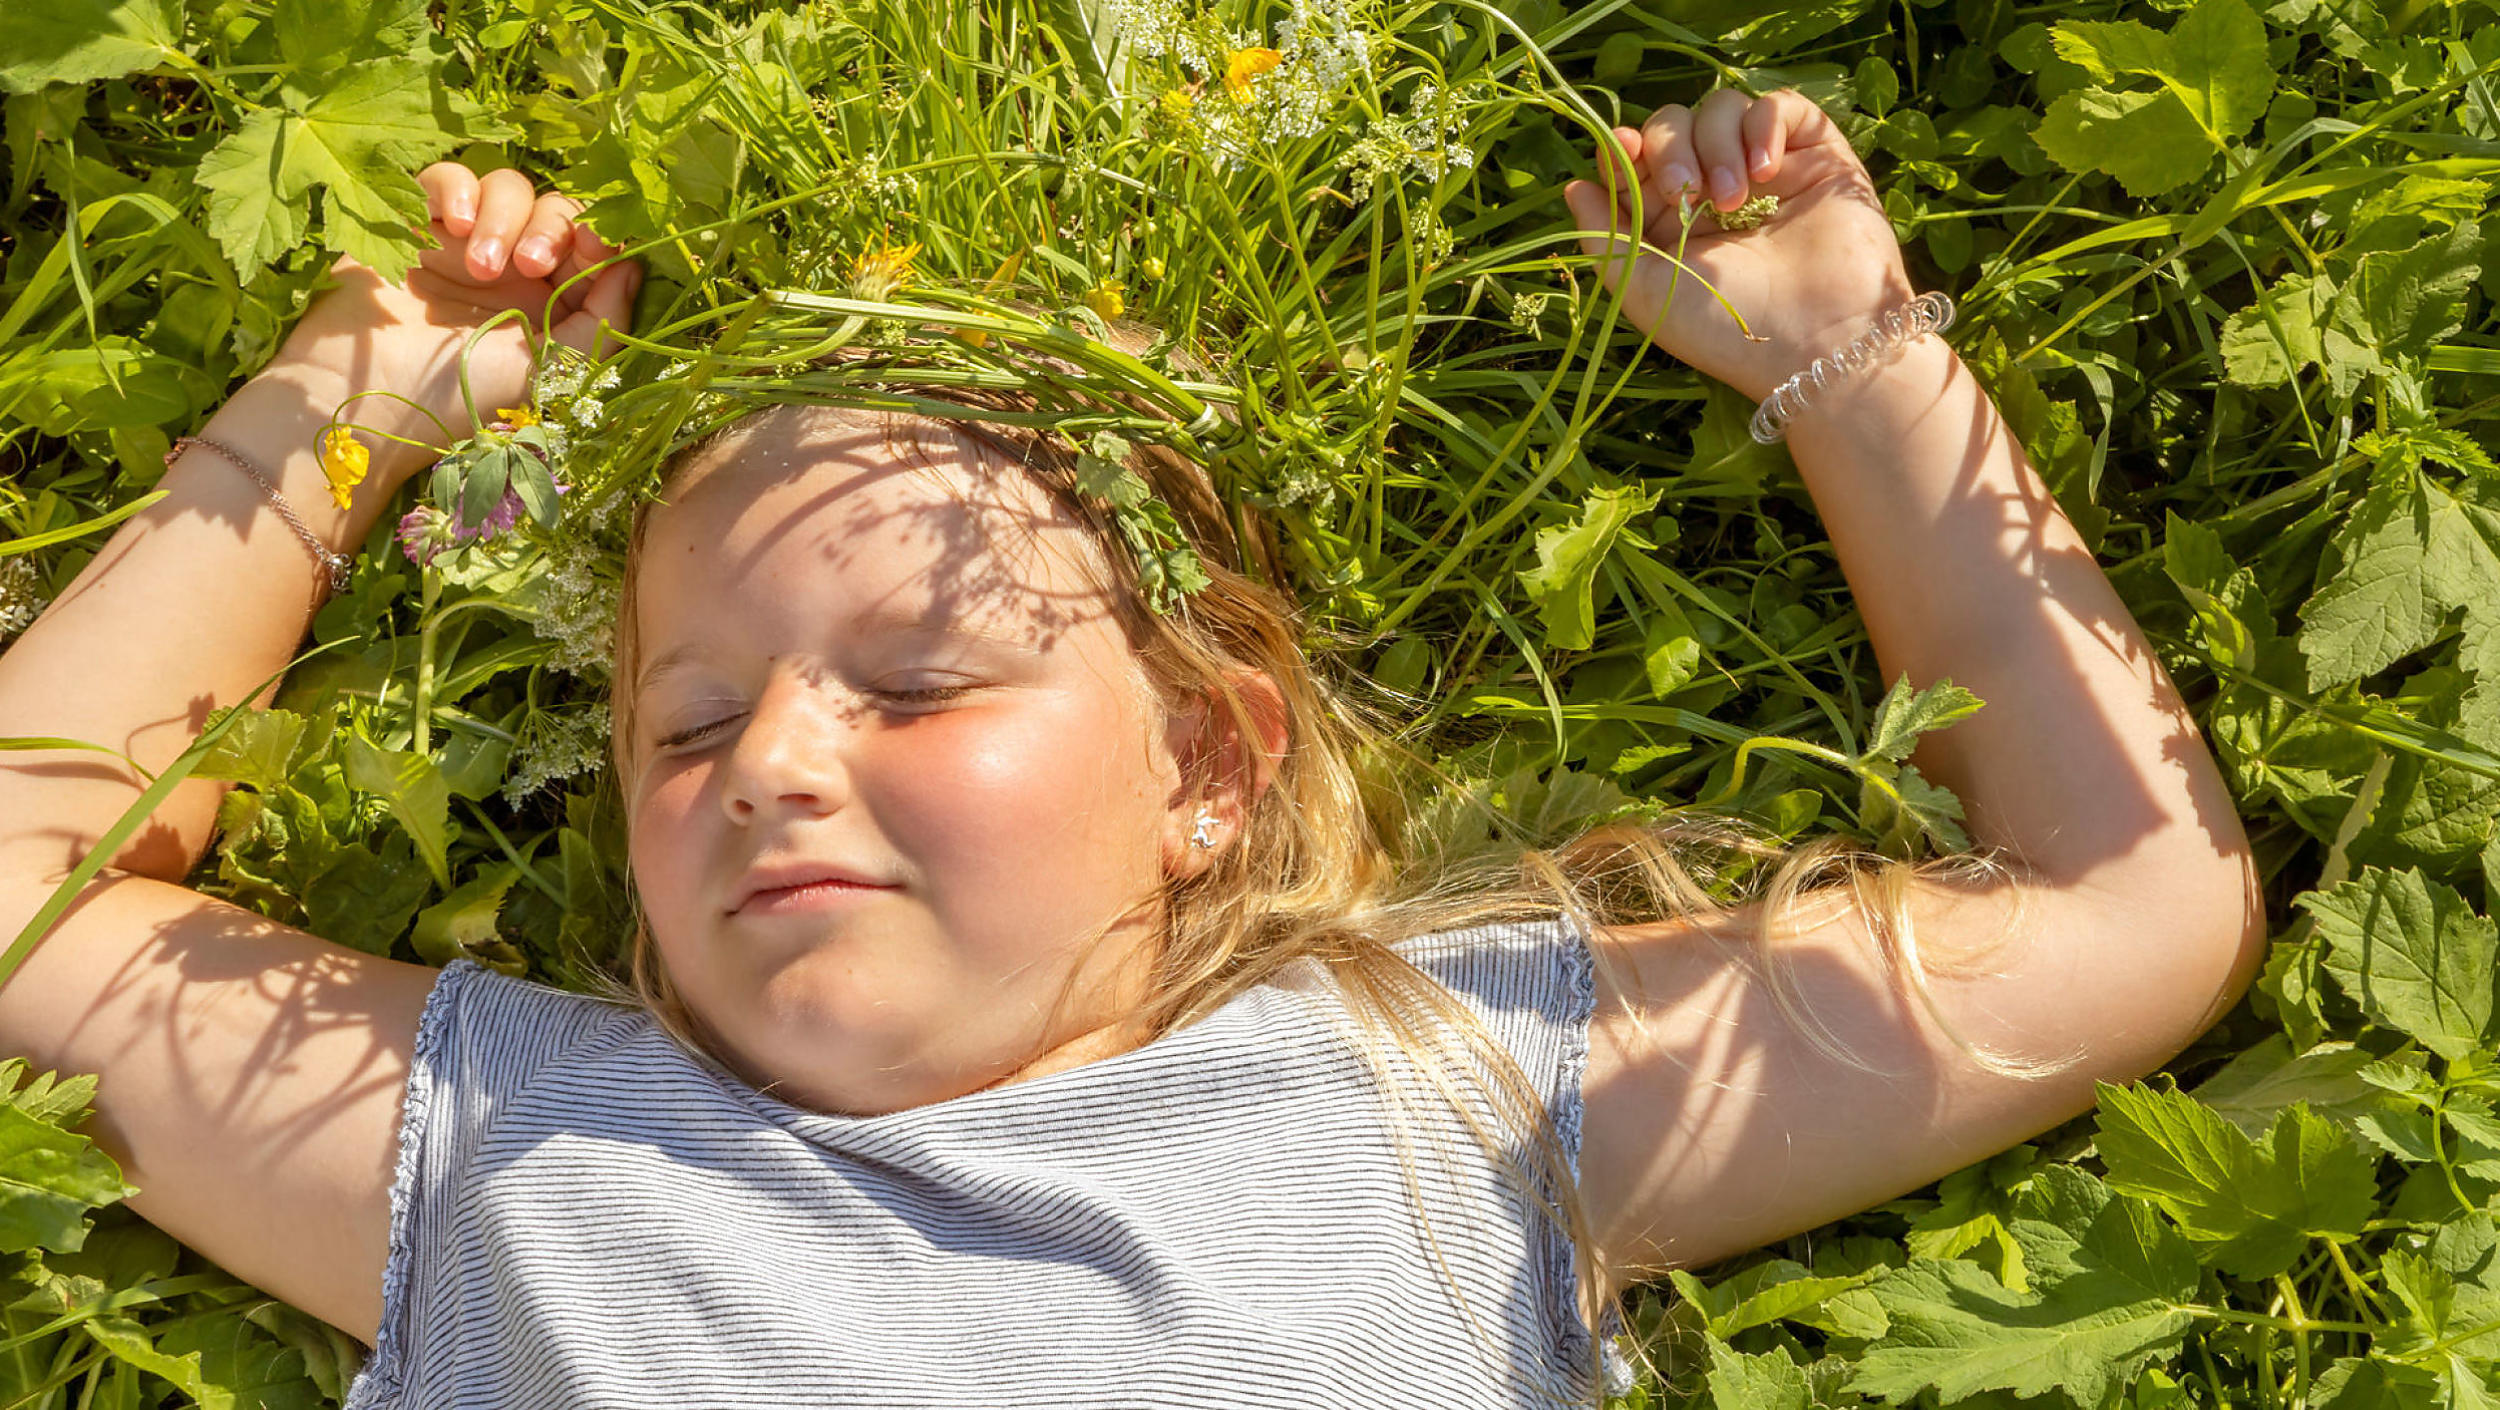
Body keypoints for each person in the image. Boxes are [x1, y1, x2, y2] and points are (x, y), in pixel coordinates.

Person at [0, 86, 2265, 1407]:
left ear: (1207, 763)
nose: (772, 758)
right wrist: (343, 418)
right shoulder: (507, 1140)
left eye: (914, 687)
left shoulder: (1430, 1089)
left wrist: (1850, 365)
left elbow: (2122, 905)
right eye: (683, 722)